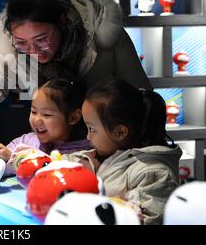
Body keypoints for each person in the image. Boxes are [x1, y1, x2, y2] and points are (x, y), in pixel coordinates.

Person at [0, 0, 151, 131]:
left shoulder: (106, 35)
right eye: (22, 42)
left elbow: (142, 96)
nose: (33, 50)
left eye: (41, 40)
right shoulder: (10, 46)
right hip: (58, 146)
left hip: (112, 142)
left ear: (62, 22)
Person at [61, 79, 181, 225]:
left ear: (120, 132)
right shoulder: (101, 155)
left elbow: (146, 219)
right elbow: (67, 161)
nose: (87, 136)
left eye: (92, 129)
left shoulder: (154, 173)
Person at [0, 77, 92, 175]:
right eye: (34, 111)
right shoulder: (25, 141)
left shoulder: (83, 152)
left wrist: (14, 159)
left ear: (73, 117)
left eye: (47, 114)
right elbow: (0, 163)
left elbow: (52, 171)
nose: (36, 120)